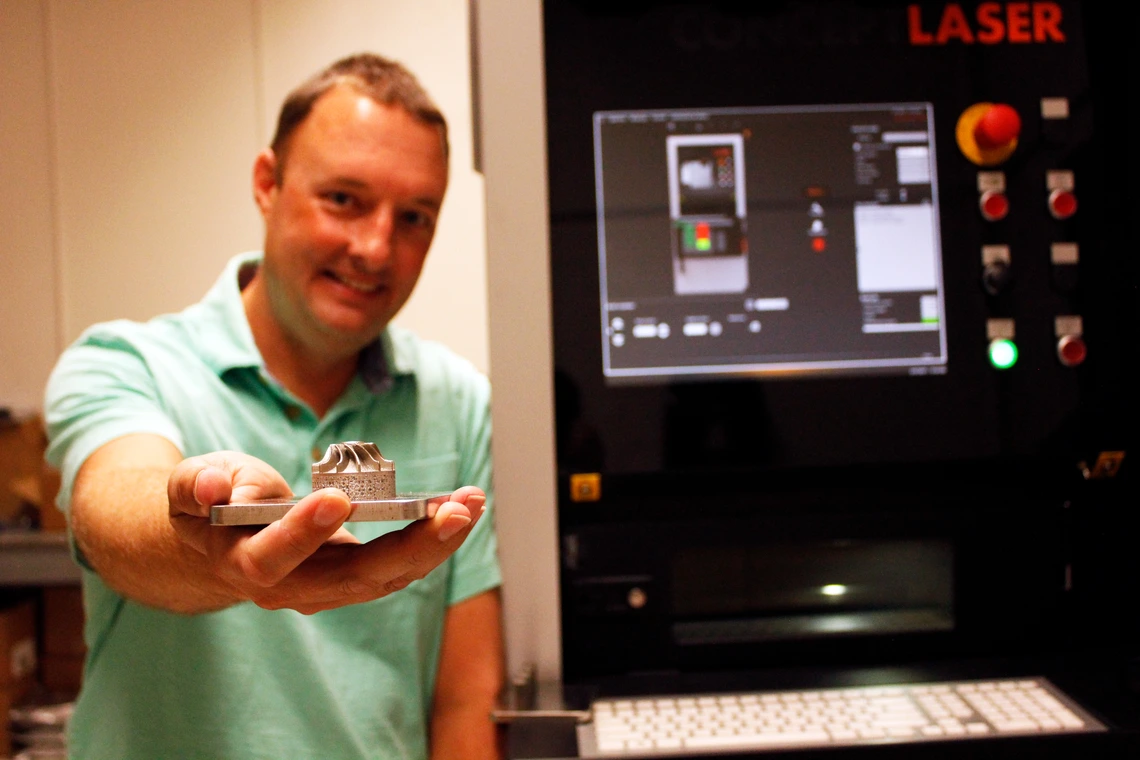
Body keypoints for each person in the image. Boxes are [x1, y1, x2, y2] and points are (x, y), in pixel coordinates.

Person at [43, 53, 504, 760]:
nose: (376, 248)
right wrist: (208, 543)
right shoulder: (127, 363)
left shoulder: (459, 401)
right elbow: (112, 508)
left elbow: (465, 702)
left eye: (414, 217)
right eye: (344, 199)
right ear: (268, 183)